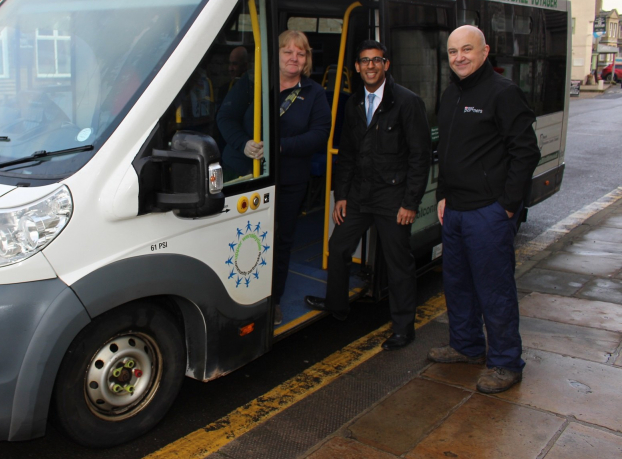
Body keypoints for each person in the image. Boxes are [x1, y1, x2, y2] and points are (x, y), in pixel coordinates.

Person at [429, 25, 540, 394]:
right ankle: (466, 345)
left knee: (494, 289)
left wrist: (508, 205)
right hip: (456, 209)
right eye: (452, 51)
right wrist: (443, 193)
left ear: (484, 51)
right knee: (457, 284)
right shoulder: (450, 95)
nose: (459, 57)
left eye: (467, 49)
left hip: (488, 213)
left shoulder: (503, 93)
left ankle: (506, 362)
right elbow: (448, 150)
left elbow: (526, 152)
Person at [304, 40, 431, 350]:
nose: (371, 66)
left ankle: (404, 327)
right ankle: (337, 306)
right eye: (364, 61)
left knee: (398, 262)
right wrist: (341, 195)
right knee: (338, 246)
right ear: (357, 68)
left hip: (393, 198)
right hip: (360, 195)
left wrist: (410, 203)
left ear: (386, 65)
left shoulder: (407, 102)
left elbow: (420, 156)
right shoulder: (354, 103)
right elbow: (346, 153)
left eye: (377, 60)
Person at [217, 30, 330, 325]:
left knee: (278, 240)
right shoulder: (253, 82)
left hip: (288, 180)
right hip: (242, 173)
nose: (294, 57)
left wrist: (279, 146)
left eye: (300, 53)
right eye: (287, 51)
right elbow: (225, 117)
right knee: (234, 238)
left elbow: (319, 135)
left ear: (306, 60)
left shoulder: (314, 93)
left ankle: (272, 301)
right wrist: (243, 142)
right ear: (275, 54)